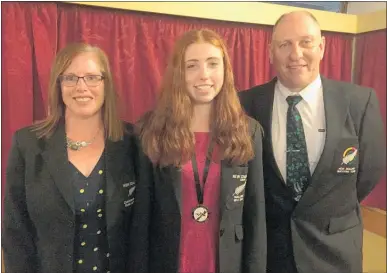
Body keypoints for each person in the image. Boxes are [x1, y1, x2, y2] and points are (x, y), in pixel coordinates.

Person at [239, 10, 386, 273]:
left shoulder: (358, 102)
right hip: (271, 254)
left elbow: (368, 173)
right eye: (285, 44)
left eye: (306, 42)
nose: (296, 54)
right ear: (271, 52)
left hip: (335, 252)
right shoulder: (246, 104)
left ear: (321, 47)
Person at [128, 29, 266, 273]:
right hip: (169, 263)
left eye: (213, 64)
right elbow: (141, 219)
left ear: (225, 70)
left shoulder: (248, 130)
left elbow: (255, 218)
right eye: (192, 66)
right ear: (178, 74)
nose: (204, 75)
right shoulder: (152, 129)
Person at [2, 43, 139, 273]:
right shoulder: (27, 144)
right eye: (70, 78)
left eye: (92, 77)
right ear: (58, 85)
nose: (81, 87)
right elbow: (15, 234)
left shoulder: (133, 143)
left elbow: (143, 228)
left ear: (107, 84)